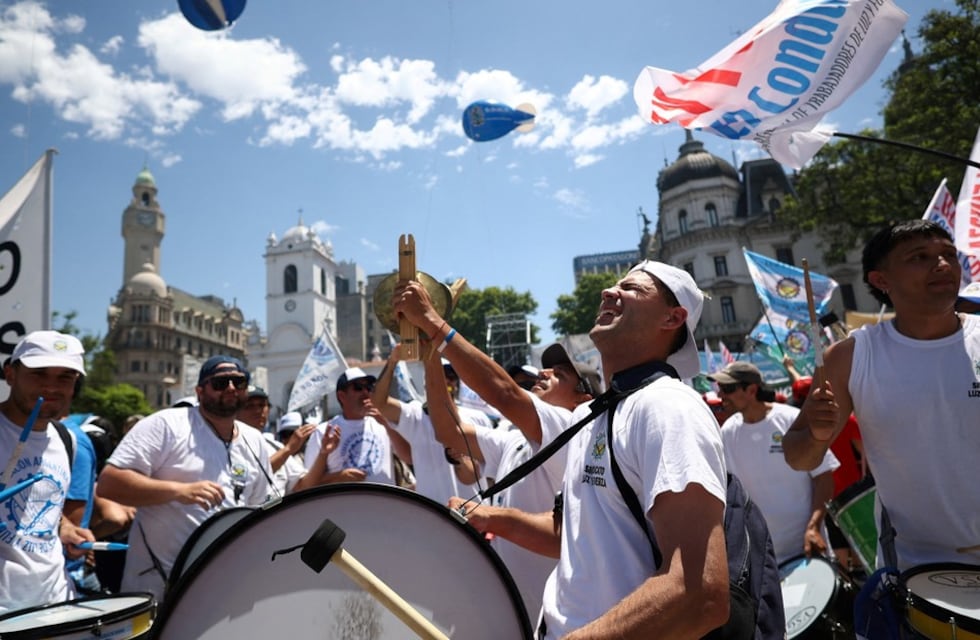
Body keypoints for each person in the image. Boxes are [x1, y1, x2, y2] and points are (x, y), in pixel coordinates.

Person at [395, 261, 730, 637]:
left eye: (633, 289)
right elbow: (573, 535)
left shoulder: (668, 406)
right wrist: (493, 518)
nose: (608, 292)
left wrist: (435, 325)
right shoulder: (592, 416)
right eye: (614, 285)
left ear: (672, 318)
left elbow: (699, 590)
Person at [784, 219, 980, 572]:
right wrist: (816, 434)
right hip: (919, 573)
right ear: (881, 280)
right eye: (919, 257)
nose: (942, 264)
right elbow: (799, 458)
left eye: (948, 254)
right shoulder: (851, 357)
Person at [97, 355, 273, 602]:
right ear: (200, 391)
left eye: (239, 381)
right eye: (221, 382)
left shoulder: (255, 440)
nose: (231, 388)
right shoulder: (167, 425)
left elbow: (257, 512)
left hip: (224, 587)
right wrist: (179, 491)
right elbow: (110, 483)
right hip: (158, 589)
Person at [0, 331, 95, 613]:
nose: (51, 387)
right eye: (39, 373)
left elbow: (46, 508)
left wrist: (67, 530)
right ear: (10, 374)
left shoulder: (68, 440)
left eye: (65, 377)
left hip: (55, 606)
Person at [709, 361, 838, 564]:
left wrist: (814, 526)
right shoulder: (727, 433)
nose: (720, 395)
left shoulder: (791, 419)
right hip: (763, 562)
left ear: (751, 390)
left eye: (727, 389)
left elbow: (823, 478)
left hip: (807, 552)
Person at [371, 345, 485, 505]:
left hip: (473, 517)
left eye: (450, 376)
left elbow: (476, 475)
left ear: (457, 383)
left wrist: (459, 457)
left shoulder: (478, 418)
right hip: (433, 517)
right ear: (426, 384)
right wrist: (393, 361)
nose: (444, 380)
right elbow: (379, 403)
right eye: (437, 375)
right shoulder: (416, 415)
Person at [303, 367, 395, 485]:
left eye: (368, 388)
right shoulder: (323, 432)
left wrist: (386, 423)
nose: (365, 393)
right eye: (358, 388)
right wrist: (339, 477)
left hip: (385, 502)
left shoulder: (383, 424)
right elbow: (306, 484)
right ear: (341, 396)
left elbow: (408, 455)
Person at [238, 389, 320, 496]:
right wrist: (289, 449)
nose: (258, 411)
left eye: (262, 405)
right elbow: (255, 477)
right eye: (250, 406)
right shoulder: (233, 444)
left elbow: (302, 485)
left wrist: (324, 453)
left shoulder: (275, 447)